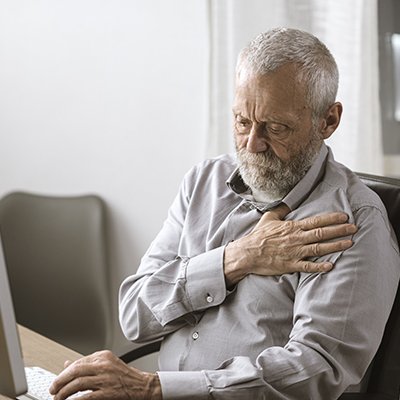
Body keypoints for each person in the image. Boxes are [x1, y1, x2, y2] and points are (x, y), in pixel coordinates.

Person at [50, 28, 400, 400]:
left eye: (276, 127)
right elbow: (136, 314)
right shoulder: (205, 181)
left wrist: (156, 388)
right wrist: (237, 258)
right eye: (242, 121)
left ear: (328, 120)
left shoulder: (354, 222)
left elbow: (314, 371)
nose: (252, 144)